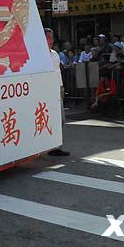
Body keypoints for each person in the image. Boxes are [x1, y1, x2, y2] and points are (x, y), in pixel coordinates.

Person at [44, 28, 69, 157]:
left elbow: (57, 72)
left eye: (52, 38)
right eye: (48, 38)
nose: (50, 41)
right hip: (44, 92)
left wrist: (61, 87)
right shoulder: (38, 54)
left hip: (56, 90)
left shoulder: (55, 54)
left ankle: (56, 146)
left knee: (60, 120)